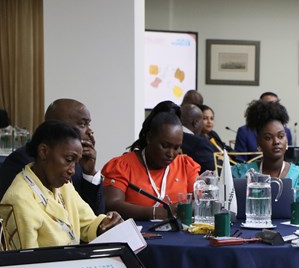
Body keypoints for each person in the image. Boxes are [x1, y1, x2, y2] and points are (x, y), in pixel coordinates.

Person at [0, 120, 122, 249]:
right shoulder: (18, 198)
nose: (72, 170)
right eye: (69, 160)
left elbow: (88, 222)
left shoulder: (63, 184)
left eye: (76, 163)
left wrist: (106, 224)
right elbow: (26, 262)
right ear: (43, 151)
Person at [0, 98, 104, 214]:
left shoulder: (77, 163)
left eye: (88, 124)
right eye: (82, 124)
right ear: (56, 125)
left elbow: (95, 215)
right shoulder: (23, 161)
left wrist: (89, 173)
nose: (90, 131)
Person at [101, 110, 200, 220]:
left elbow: (199, 202)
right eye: (165, 145)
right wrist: (155, 212)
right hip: (136, 233)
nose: (171, 154)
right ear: (149, 138)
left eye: (176, 148)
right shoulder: (122, 165)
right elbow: (111, 204)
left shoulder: (185, 165)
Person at [232, 100, 299, 199]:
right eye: (268, 138)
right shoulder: (241, 174)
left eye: (281, 136)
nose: (276, 142)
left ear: (286, 140)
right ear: (258, 142)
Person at [179, 103, 216, 172]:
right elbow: (214, 170)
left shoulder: (170, 137)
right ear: (195, 123)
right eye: (203, 120)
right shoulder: (200, 143)